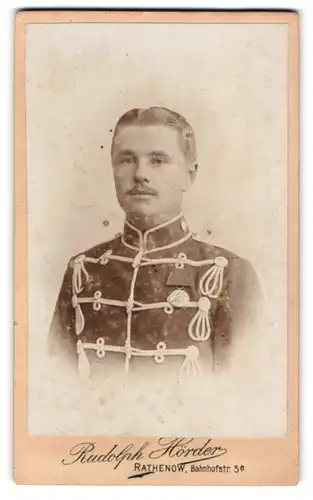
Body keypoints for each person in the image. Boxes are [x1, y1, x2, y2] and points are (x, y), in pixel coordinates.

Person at [48, 106, 261, 381]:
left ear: (190, 175)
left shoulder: (230, 274)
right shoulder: (83, 271)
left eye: (158, 160)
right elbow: (53, 389)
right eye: (126, 160)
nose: (140, 174)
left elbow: (244, 398)